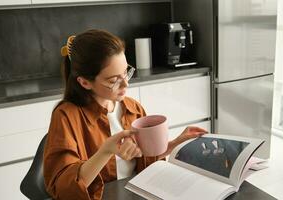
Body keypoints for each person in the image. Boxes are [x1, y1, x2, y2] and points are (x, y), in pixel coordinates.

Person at [43, 29, 207, 200]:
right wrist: (105, 152)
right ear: (85, 82)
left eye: (126, 72)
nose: (126, 84)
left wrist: (176, 143)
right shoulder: (66, 116)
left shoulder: (132, 108)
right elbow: (63, 190)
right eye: (114, 81)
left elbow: (146, 159)